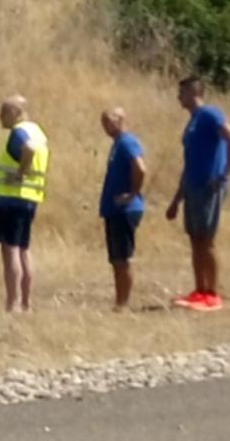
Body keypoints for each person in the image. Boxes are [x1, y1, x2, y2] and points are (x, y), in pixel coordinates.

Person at [165, 76, 230, 312]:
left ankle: (213, 293)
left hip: (209, 186)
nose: (179, 97)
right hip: (192, 186)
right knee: (195, 239)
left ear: (193, 92)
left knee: (207, 240)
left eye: (183, 92)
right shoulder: (192, 122)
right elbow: (189, 163)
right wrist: (176, 199)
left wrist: (224, 174)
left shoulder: (210, 114)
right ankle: (199, 290)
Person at [0, 95, 49, 314]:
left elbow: (28, 150)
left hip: (12, 198)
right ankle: (26, 302)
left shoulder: (20, 132)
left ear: (16, 112)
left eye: (3, 112)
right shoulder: (38, 131)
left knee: (10, 250)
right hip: (31, 198)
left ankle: (12, 302)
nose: (0, 117)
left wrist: (19, 174)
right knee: (24, 249)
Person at [99, 107, 146, 311]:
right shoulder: (117, 144)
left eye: (109, 122)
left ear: (120, 120)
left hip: (125, 209)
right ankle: (119, 301)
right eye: (103, 123)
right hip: (114, 209)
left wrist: (132, 193)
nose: (106, 127)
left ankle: (123, 303)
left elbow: (140, 167)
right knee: (116, 258)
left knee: (123, 258)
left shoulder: (128, 142)